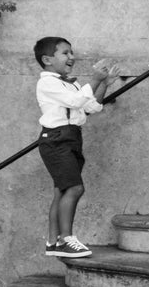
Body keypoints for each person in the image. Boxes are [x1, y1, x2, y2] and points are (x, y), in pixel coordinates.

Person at [34, 36, 117, 259]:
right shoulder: (47, 83)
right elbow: (75, 101)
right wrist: (94, 79)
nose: (71, 56)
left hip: (71, 138)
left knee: (61, 191)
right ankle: (65, 240)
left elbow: (91, 107)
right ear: (47, 59)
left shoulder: (72, 83)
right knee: (74, 188)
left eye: (72, 52)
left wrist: (103, 84)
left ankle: (52, 241)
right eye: (65, 53)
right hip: (56, 139)